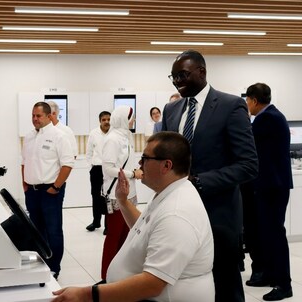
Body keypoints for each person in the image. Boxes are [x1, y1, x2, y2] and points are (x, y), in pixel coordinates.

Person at [52, 131, 215, 302]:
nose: (139, 163)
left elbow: (152, 284)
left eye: (145, 158)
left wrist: (87, 295)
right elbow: (145, 229)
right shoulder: (169, 192)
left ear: (166, 166)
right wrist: (122, 201)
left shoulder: (177, 215)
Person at [161, 50, 258, 302]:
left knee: (225, 285)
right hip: (179, 213)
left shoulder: (230, 105)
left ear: (201, 71)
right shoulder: (171, 109)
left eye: (182, 75)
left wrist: (200, 182)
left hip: (219, 215)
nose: (177, 81)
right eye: (173, 77)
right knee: (186, 283)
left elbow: (248, 165)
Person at [243, 83, 293, 301]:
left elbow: (247, 143)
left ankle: (284, 284)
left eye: (247, 101)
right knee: (267, 234)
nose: (246, 105)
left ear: (254, 100)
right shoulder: (272, 115)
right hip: (271, 185)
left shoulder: (266, 119)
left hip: (272, 186)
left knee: (274, 235)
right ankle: (271, 275)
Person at [21, 101, 75, 280]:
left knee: (53, 230)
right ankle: (40, 261)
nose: (35, 119)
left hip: (50, 191)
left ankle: (54, 267)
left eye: (38, 116)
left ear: (48, 115)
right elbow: (24, 162)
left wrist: (56, 187)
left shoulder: (59, 136)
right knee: (35, 229)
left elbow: (67, 164)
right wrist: (25, 184)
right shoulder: (29, 137)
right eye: (33, 116)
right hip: (32, 191)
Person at [100, 105, 143, 281]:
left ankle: (119, 275)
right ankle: (106, 277)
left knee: (127, 238)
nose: (133, 121)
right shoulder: (113, 139)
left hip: (129, 192)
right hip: (116, 194)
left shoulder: (126, 136)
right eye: (131, 117)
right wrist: (133, 174)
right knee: (114, 237)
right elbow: (108, 168)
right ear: (123, 118)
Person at [85, 111, 111, 232]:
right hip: (96, 168)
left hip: (110, 169)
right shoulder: (93, 133)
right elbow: (89, 152)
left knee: (108, 197)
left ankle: (108, 225)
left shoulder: (114, 133)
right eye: (104, 120)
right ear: (100, 121)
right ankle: (96, 222)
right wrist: (91, 166)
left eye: (108, 119)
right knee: (95, 196)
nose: (106, 122)